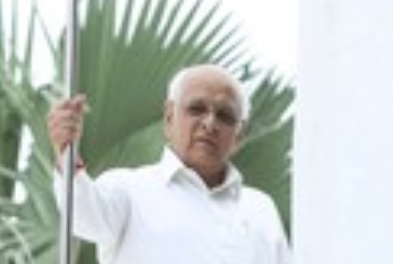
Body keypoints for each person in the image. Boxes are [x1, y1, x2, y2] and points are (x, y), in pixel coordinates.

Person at [47, 63, 293, 264]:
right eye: (197, 109)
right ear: (168, 117)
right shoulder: (128, 189)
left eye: (225, 116)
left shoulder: (261, 209)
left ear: (238, 134)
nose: (210, 123)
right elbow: (82, 216)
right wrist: (66, 153)